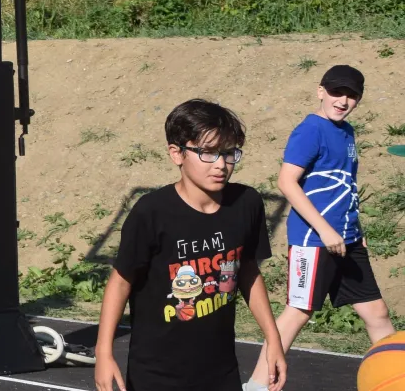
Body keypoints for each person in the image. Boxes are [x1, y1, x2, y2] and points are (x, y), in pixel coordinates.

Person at [93, 99, 284, 391]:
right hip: (156, 374)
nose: (221, 164)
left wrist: (273, 340)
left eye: (229, 153)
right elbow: (120, 282)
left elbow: (248, 271)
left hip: (220, 370)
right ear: (176, 153)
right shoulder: (151, 213)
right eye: (207, 153)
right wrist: (103, 353)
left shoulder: (246, 203)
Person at [245, 65, 393, 391]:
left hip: (348, 240)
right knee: (297, 314)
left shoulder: (348, 132)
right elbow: (287, 182)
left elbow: (344, 186)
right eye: (337, 92)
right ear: (320, 91)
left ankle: (392, 381)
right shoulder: (310, 130)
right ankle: (255, 386)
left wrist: (356, 229)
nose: (343, 101)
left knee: (377, 314)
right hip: (315, 241)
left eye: (352, 95)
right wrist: (325, 230)